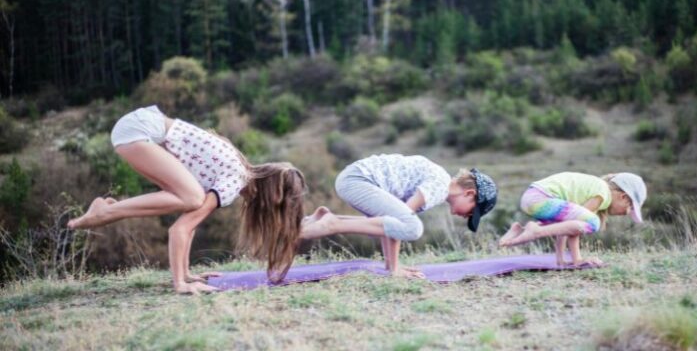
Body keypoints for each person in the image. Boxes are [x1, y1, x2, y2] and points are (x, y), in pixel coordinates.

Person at [67, 105, 307, 294]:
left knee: (190, 200)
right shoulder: (236, 179)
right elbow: (179, 230)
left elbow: (188, 224)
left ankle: (107, 210)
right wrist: (180, 284)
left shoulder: (237, 174)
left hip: (136, 128)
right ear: (271, 198)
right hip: (140, 130)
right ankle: (106, 212)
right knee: (192, 198)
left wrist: (187, 274)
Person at [300, 153, 497, 278]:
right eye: (472, 211)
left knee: (383, 225)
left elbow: (392, 222)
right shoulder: (440, 186)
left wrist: (391, 266)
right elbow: (402, 221)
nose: (468, 217)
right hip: (358, 180)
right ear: (469, 194)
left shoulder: (439, 180)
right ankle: (332, 224)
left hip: (353, 178)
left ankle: (325, 218)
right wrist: (395, 270)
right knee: (413, 228)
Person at [499, 172, 647, 266]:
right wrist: (578, 260)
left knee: (577, 222)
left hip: (532, 198)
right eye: (630, 208)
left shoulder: (596, 188)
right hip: (540, 199)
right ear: (623, 197)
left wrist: (560, 259)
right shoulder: (603, 194)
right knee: (593, 222)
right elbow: (577, 228)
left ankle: (519, 231)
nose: (627, 213)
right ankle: (535, 230)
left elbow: (568, 226)